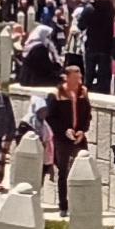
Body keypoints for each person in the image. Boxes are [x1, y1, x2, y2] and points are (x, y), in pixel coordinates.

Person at [39, 69, 93, 214]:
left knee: (84, 167)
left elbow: (87, 114)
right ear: (67, 79)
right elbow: (50, 118)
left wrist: (83, 130)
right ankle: (63, 205)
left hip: (79, 137)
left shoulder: (83, 92)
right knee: (63, 171)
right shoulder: (56, 95)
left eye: (80, 78)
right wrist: (65, 130)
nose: (78, 82)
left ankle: (82, 203)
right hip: (62, 139)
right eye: (75, 78)